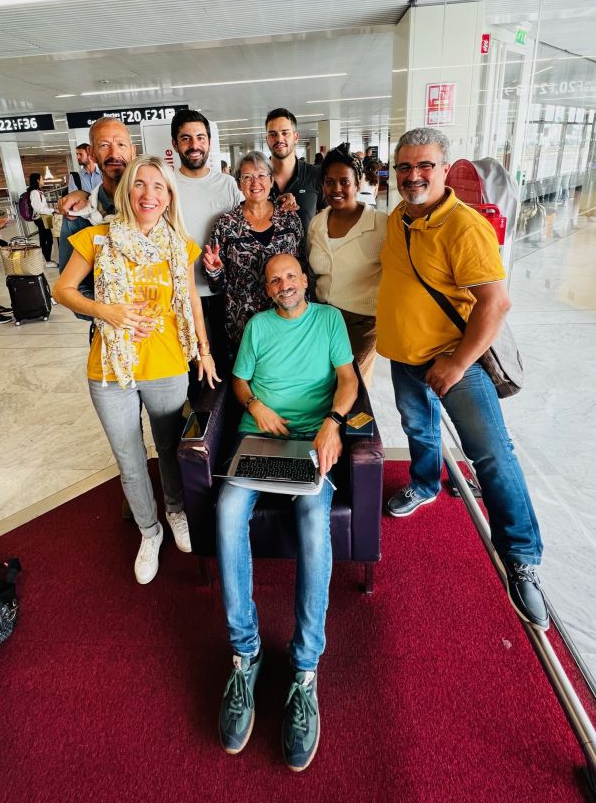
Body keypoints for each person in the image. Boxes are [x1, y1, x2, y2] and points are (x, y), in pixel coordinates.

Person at [376, 126, 549, 631]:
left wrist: (456, 364)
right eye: (404, 166)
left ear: (446, 170)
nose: (413, 175)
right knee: (419, 428)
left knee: (491, 453)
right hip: (407, 359)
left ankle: (522, 558)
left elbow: (496, 303)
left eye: (424, 165)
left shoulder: (464, 226)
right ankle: (425, 483)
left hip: (457, 360)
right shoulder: (399, 218)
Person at [216, 253, 357, 772]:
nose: (284, 285)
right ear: (268, 288)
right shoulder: (257, 326)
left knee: (315, 526)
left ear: (304, 281)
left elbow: (347, 378)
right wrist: (255, 406)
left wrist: (333, 422)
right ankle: (245, 653)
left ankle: (305, 667)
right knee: (227, 511)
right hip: (258, 438)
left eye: (291, 276)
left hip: (312, 443)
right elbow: (239, 383)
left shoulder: (329, 320)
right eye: (274, 280)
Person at [53, 155, 219, 584]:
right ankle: (149, 531)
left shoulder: (178, 244)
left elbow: (192, 299)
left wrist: (203, 349)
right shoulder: (97, 238)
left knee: (170, 447)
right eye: (140, 184)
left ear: (169, 197)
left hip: (166, 363)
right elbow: (63, 290)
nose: (149, 194)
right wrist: (105, 311)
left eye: (159, 186)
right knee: (129, 457)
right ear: (126, 191)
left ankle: (176, 511)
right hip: (111, 369)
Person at [202, 151, 304, 353]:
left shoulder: (289, 219)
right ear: (239, 184)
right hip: (244, 325)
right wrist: (214, 272)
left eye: (261, 175)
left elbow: (303, 267)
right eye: (247, 177)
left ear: (272, 180)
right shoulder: (226, 224)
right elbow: (217, 285)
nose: (255, 182)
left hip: (288, 320)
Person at [307, 146, 387, 388]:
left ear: (358, 183)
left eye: (344, 181)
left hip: (362, 323)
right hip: (323, 319)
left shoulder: (380, 225)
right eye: (329, 182)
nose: (337, 189)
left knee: (351, 385)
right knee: (323, 384)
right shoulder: (317, 224)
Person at [170, 109, 242, 373]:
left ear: (209, 142)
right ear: (175, 144)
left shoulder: (228, 184)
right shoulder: (166, 185)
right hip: (181, 294)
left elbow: (248, 221)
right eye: (186, 138)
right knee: (193, 367)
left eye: (200, 137)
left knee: (226, 362)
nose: (194, 145)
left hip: (223, 292)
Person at [56, 118, 136, 305]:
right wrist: (110, 311)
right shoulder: (78, 215)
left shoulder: (152, 207)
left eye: (121, 144)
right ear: (91, 153)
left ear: (133, 151)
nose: (114, 153)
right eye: (104, 145)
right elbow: (72, 289)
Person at [265, 108, 325, 232]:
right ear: (267, 139)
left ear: (296, 137)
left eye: (285, 133)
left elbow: (330, 219)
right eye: (273, 134)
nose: (279, 139)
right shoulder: (257, 180)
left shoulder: (315, 175)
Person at [28, 173, 56, 268]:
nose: (43, 180)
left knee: (46, 239)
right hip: (40, 219)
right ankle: (48, 261)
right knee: (47, 239)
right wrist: (52, 210)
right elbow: (39, 208)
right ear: (37, 180)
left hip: (42, 218)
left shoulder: (37, 192)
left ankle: (48, 260)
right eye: (42, 179)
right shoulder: (35, 193)